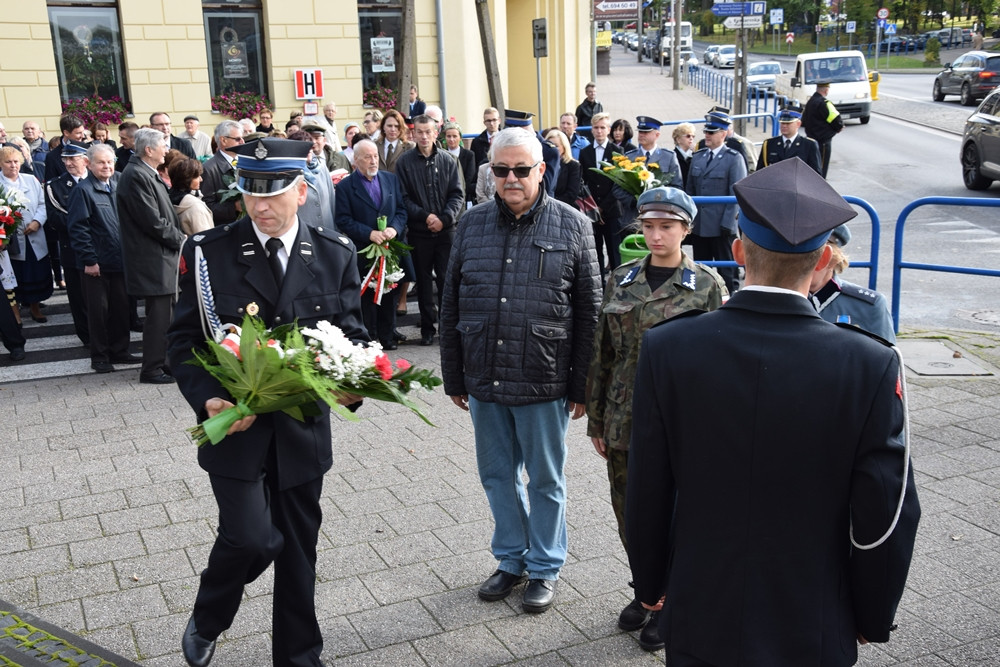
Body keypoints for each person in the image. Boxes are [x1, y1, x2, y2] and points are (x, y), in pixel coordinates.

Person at [626, 157, 920, 667]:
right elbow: (887, 514)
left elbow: (648, 483)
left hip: (701, 606)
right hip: (814, 614)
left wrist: (651, 582)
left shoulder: (669, 348)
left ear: (738, 251)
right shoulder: (869, 363)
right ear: (824, 257)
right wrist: (873, 612)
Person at [167, 137, 367, 667]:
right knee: (253, 540)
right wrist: (208, 398)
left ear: (301, 191)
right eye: (250, 193)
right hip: (236, 428)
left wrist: (354, 384)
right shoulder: (210, 253)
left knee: (299, 553)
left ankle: (299, 658)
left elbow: (352, 334)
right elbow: (183, 342)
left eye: (273, 194)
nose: (259, 206)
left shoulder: (334, 252)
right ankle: (209, 617)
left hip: (301, 430)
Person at [440, 127, 601, 615]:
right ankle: (511, 558)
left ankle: (546, 565)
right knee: (496, 475)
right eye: (501, 170)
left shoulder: (573, 225)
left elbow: (590, 312)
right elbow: (450, 302)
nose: (511, 179)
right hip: (484, 372)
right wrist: (453, 376)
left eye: (521, 170)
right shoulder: (470, 224)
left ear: (541, 171)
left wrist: (582, 387)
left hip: (543, 376)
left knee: (546, 479)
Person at [585, 186, 726, 651]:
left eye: (666, 226)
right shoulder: (621, 280)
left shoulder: (706, 286)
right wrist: (597, 419)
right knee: (630, 513)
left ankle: (671, 601)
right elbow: (603, 353)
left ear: (686, 229)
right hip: (626, 417)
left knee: (675, 515)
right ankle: (644, 592)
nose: (656, 235)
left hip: (681, 423)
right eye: (647, 226)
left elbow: (720, 363)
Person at [116, 128, 185, 384]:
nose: (166, 150)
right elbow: (152, 222)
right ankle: (152, 368)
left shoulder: (144, 172)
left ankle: (165, 363)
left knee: (166, 315)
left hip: (161, 256)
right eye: (163, 146)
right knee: (158, 318)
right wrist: (182, 241)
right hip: (153, 258)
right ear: (148, 150)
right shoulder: (136, 175)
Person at [66, 143, 138, 374]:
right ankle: (99, 357)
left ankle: (120, 350)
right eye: (101, 162)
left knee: (121, 308)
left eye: (110, 161)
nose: (106, 166)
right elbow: (78, 229)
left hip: (119, 260)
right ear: (89, 164)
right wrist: (89, 260)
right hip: (96, 264)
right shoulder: (83, 190)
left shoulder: (118, 183)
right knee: (98, 313)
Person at [394, 114, 464, 346]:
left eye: (428, 132)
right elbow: (403, 198)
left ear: (436, 133)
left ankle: (447, 327)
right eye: (420, 132)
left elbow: (457, 194)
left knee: (447, 281)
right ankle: (426, 328)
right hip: (419, 232)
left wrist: (444, 219)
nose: (424, 136)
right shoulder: (404, 162)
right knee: (423, 283)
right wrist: (426, 216)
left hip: (446, 232)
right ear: (413, 134)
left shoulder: (448, 160)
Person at [335, 139, 408, 349]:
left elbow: (401, 210)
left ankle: (387, 336)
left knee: (389, 292)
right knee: (366, 295)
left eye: (375, 155)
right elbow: (343, 219)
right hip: (363, 251)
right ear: (356, 161)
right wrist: (369, 234)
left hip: (389, 249)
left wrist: (394, 228)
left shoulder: (390, 179)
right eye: (367, 157)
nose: (373, 160)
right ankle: (369, 337)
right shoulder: (346, 187)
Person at [686, 108, 747, 294]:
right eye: (706, 132)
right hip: (701, 225)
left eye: (711, 132)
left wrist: (728, 224)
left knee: (727, 270)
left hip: (721, 225)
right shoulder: (698, 157)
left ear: (723, 133)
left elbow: (736, 194)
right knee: (700, 269)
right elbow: (690, 191)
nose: (707, 135)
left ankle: (730, 301)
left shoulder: (733, 159)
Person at [810, 223, 895, 342]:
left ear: (831, 260)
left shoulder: (867, 306)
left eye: (810, 257)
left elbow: (885, 358)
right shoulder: (779, 300)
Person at [44, 140, 91, 345]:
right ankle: (87, 337)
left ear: (86, 160)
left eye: (73, 158)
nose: (69, 163)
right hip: (72, 249)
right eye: (66, 159)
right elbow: (56, 218)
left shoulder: (99, 180)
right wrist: (91, 221)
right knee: (79, 297)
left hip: (102, 248)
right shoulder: (55, 186)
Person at [2, 145, 51, 323]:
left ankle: (35, 307)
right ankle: (15, 312)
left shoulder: (31, 180)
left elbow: (42, 204)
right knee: (16, 274)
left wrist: (37, 221)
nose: (13, 165)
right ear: (1, 164)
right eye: (8, 162)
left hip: (34, 235)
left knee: (36, 272)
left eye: (16, 161)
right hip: (11, 240)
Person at [580, 112, 624, 276]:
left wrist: (603, 207)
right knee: (594, 251)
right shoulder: (585, 153)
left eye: (602, 128)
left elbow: (618, 183)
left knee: (614, 251)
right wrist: (592, 207)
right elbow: (583, 182)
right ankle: (598, 286)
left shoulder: (617, 151)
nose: (599, 131)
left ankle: (617, 286)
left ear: (608, 130)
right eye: (596, 128)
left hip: (611, 211)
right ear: (592, 130)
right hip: (592, 212)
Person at [201, 120, 245, 226]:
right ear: (223, 140)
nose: (243, 142)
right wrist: (235, 206)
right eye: (237, 139)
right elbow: (207, 207)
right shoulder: (208, 168)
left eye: (243, 138)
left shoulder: (245, 161)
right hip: (227, 228)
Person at [757, 103, 822, 174]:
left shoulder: (809, 145)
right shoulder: (769, 144)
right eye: (782, 123)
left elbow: (816, 175)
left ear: (798, 124)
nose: (784, 126)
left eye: (788, 123)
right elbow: (759, 172)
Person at [627, 117, 683, 188]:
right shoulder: (629, 157)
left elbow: (677, 185)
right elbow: (619, 188)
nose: (641, 135)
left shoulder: (669, 157)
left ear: (657, 135)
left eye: (646, 132)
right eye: (640, 131)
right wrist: (633, 199)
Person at [803, 81, 844, 178]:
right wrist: (839, 127)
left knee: (813, 166)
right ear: (826, 90)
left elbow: (804, 120)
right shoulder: (825, 103)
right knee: (822, 167)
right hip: (823, 141)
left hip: (811, 139)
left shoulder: (810, 102)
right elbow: (836, 119)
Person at [168, 157, 214, 235]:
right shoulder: (196, 207)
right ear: (186, 179)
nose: (201, 179)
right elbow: (205, 239)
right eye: (197, 176)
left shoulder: (169, 197)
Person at [544, 128, 581, 209]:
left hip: (564, 209)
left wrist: (550, 203)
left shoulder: (573, 165)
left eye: (556, 146)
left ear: (564, 147)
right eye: (549, 145)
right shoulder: (541, 165)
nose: (552, 148)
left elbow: (572, 194)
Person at [442, 121, 477, 206]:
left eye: (455, 136)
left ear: (460, 138)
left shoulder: (469, 155)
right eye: (448, 136)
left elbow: (469, 178)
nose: (451, 139)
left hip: (465, 197)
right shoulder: (441, 155)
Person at [45, 114, 87, 181]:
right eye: (78, 133)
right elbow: (53, 185)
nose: (83, 136)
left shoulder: (89, 150)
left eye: (83, 132)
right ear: (66, 133)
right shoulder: (52, 156)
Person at [671, 122, 697, 188]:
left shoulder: (695, 156)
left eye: (693, 136)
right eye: (688, 136)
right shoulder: (672, 156)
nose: (691, 138)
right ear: (678, 139)